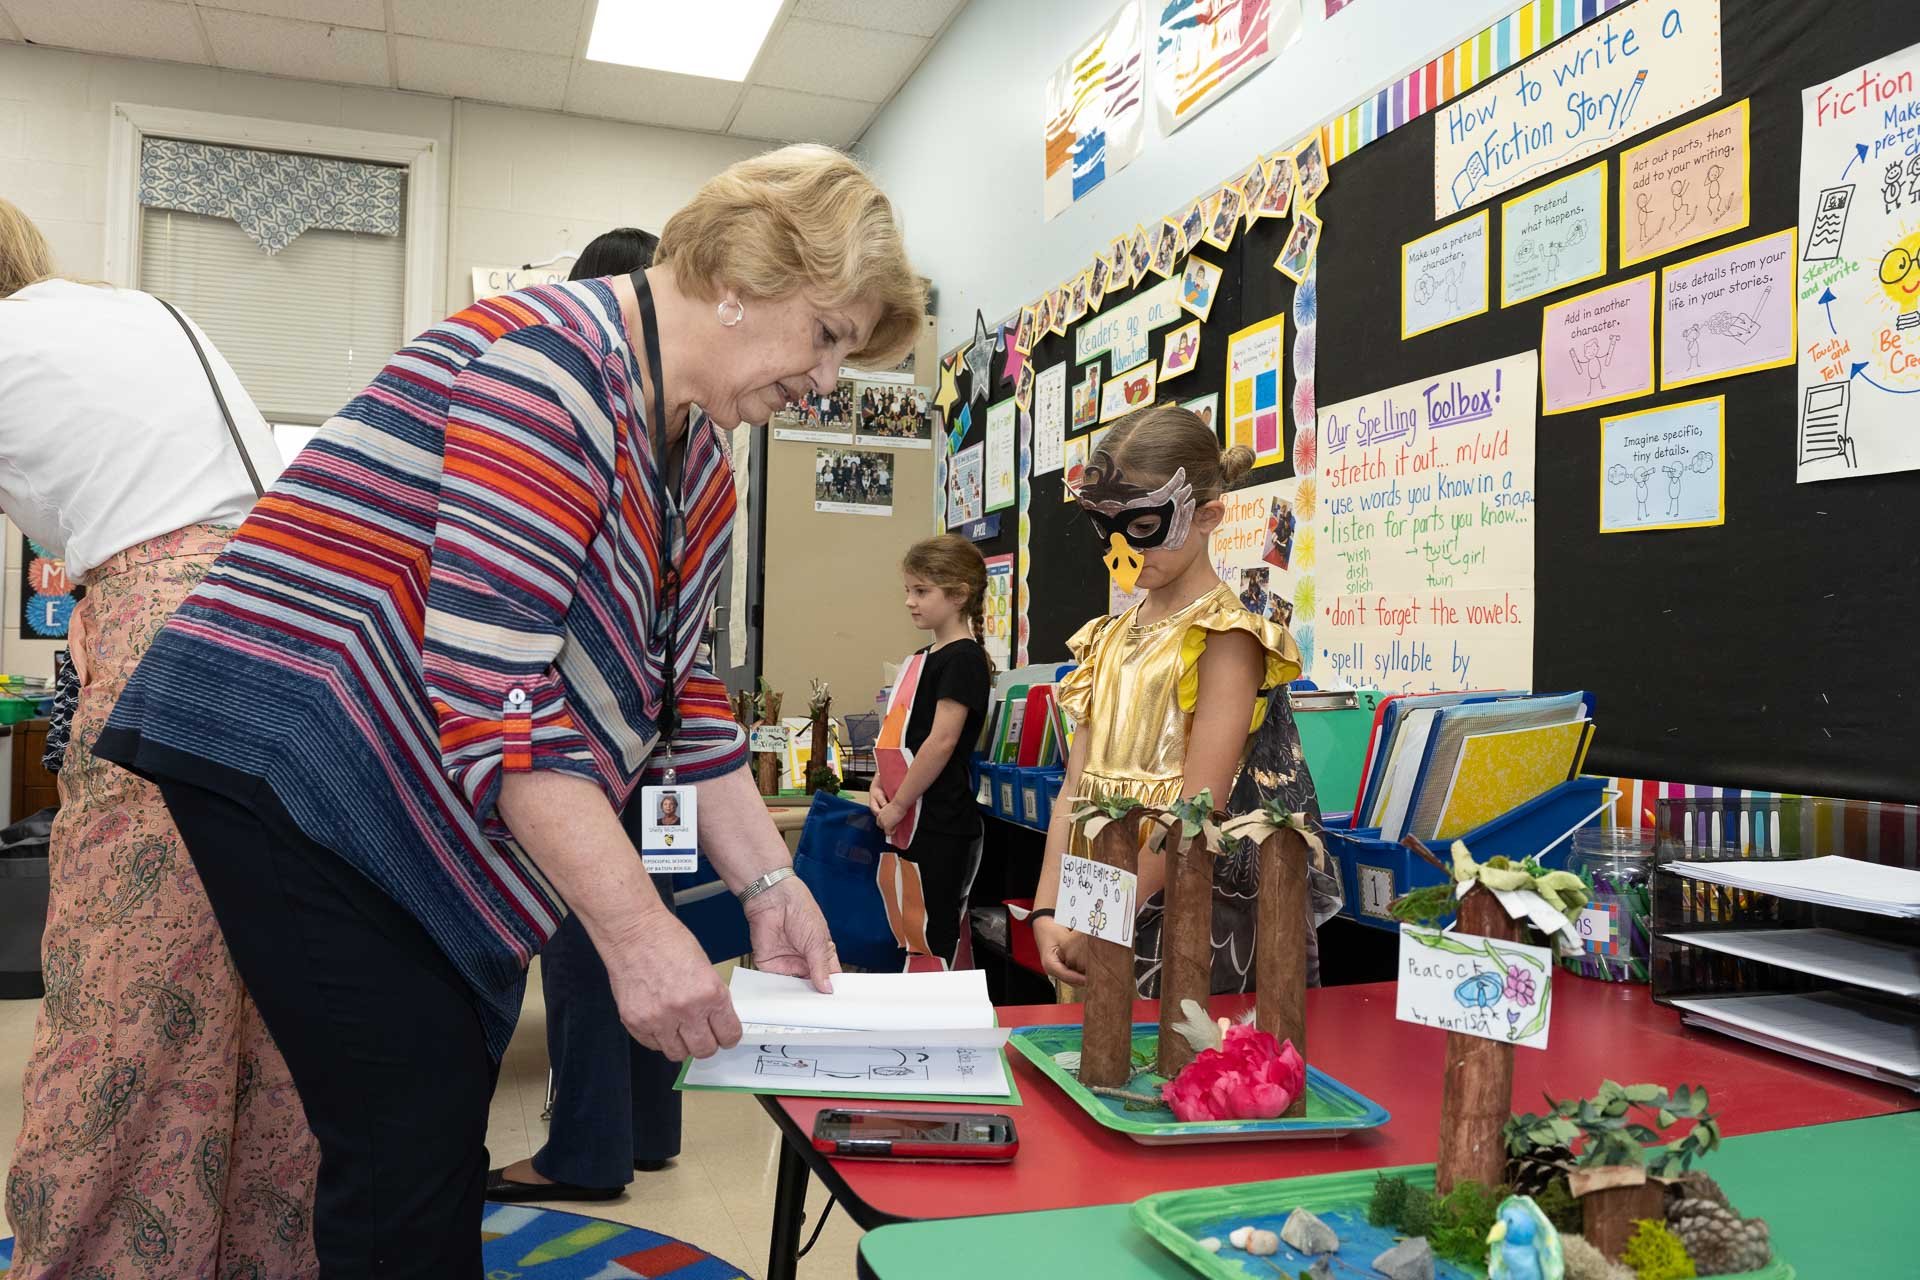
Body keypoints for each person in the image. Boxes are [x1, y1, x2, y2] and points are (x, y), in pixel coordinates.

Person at [92, 144, 924, 1271]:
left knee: (427, 1108)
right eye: (829, 334)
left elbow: (689, 698)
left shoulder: (704, 462)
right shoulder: (552, 363)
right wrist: (636, 932)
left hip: (395, 766)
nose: (829, 379)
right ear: (748, 272)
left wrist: (767, 883)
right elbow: (498, 693)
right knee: (406, 1127)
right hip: (294, 750)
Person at [0, 198, 319, 1277]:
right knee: (268, 1007)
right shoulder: (134, 312)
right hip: (298, 625)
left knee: (126, 1006)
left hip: (171, 633)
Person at [483, 227, 694, 1206]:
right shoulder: (685, 433)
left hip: (592, 747)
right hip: (668, 747)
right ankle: (648, 1127)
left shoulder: (578, 415)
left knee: (587, 946)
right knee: (654, 923)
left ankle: (585, 1149)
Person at [1029, 406, 1326, 995]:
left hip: (1177, 905)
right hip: (1091, 900)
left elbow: (1198, 808)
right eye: (1103, 524)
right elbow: (1073, 788)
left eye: (1141, 525)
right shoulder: (1106, 638)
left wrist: (1104, 918)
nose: (1121, 546)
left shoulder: (1224, 639)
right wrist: (1047, 912)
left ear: (1208, 516)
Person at [869, 536, 996, 966]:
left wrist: (900, 801)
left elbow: (940, 741)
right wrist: (879, 787)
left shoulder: (964, 660)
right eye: (908, 590)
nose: (910, 601)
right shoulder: (921, 658)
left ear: (959, 594)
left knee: (932, 933)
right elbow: (899, 734)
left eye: (922, 591)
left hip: (938, 820)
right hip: (905, 816)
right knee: (904, 928)